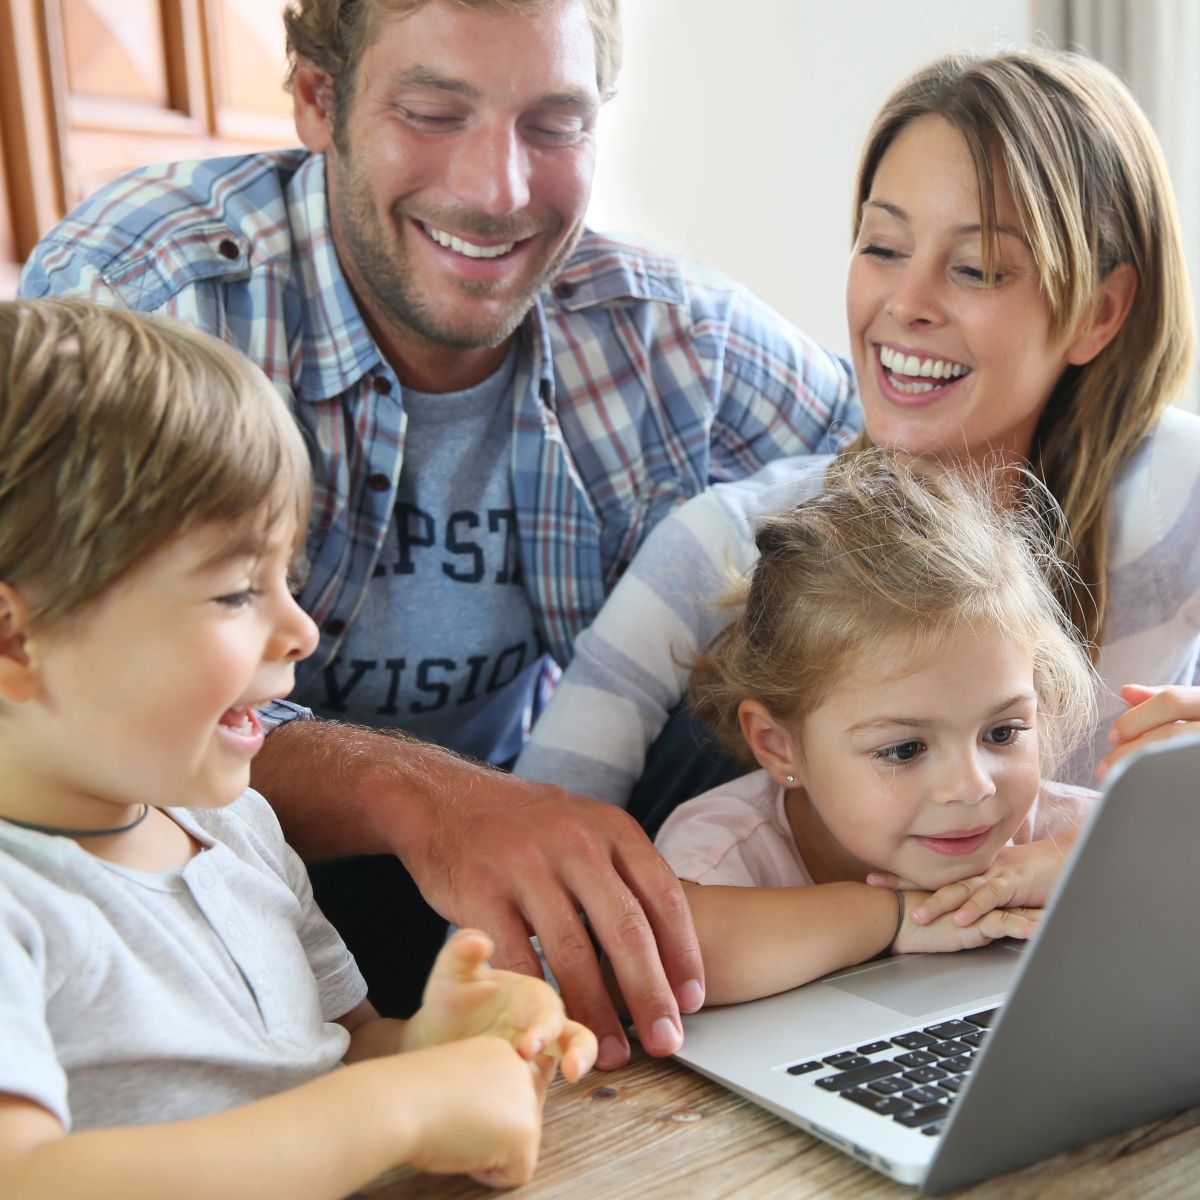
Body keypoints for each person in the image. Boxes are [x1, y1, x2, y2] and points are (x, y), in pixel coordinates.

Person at [17, 0, 860, 1064]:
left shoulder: (669, 335)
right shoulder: (148, 301)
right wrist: (422, 797)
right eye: (431, 110)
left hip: (540, 843)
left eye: (552, 124)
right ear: (318, 99)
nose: (496, 191)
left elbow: (912, 475)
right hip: (225, 864)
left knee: (785, 633)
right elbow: (63, 704)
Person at [515, 47, 1200, 831]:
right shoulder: (734, 544)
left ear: (1099, 313)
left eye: (975, 269)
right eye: (882, 247)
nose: (905, 303)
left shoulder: (1174, 489)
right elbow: (534, 845)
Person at [0, 298, 596, 1198]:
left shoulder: (236, 826)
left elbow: (335, 1060)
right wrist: (402, 1107)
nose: (301, 631)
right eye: (238, 592)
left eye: (288, 577)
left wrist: (440, 1045)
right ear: (17, 641)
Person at [654, 451, 1098, 1005]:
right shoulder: (728, 851)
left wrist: (1089, 870)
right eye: (905, 748)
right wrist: (897, 916)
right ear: (779, 746)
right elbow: (672, 960)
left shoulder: (1063, 838)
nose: (973, 786)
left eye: (1002, 733)